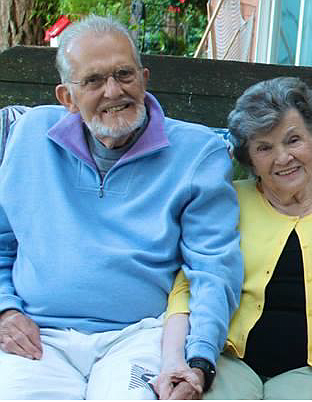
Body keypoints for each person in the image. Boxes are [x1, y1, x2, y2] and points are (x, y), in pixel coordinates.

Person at [0, 15, 242, 399]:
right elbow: (2, 242)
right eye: (93, 81)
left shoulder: (197, 153)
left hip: (138, 335)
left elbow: (214, 268)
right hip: (37, 334)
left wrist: (198, 360)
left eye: (124, 74)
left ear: (144, 78)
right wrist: (5, 310)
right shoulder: (28, 135)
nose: (113, 91)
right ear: (67, 98)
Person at [155, 77, 312, 399]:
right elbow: (188, 286)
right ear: (249, 160)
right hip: (227, 362)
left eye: (293, 141)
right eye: (264, 147)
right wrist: (178, 361)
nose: (283, 158)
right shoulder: (228, 200)